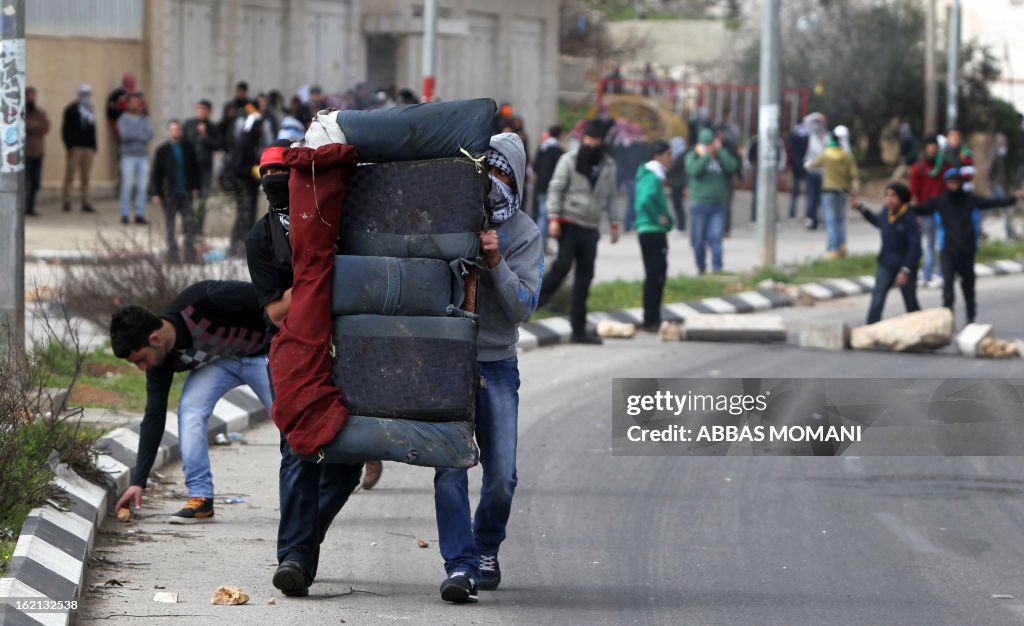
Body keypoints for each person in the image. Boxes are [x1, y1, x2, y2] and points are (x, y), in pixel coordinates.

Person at [243, 143, 374, 598]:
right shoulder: (261, 240)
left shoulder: (336, 216)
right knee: (298, 452)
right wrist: (316, 269)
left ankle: (304, 540)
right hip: (296, 353)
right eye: (271, 176)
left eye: (287, 175)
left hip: (354, 348)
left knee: (346, 462)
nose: (280, 184)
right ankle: (294, 558)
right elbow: (278, 312)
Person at [435, 132, 543, 603]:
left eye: (501, 173)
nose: (492, 182)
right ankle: (459, 566)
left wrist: (495, 259)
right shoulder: (450, 218)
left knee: (501, 476)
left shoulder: (525, 234)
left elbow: (522, 306)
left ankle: (485, 547)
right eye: (486, 172)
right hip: (449, 363)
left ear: (516, 179)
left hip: (497, 366)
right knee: (448, 469)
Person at [110, 281, 271, 524]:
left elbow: (272, 300)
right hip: (222, 362)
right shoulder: (161, 362)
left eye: (141, 360)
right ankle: (201, 498)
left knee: (289, 417)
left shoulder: (206, 300)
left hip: (265, 355)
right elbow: (154, 417)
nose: (143, 368)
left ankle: (312, 488)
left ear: (155, 338)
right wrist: (138, 481)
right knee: (190, 410)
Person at [537, 121, 620, 345]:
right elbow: (556, 188)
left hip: (591, 227)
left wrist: (614, 223)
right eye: (589, 141)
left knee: (585, 277)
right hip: (568, 221)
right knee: (562, 265)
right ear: (583, 140)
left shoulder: (608, 165)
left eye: (596, 142)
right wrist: (553, 218)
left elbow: (611, 196)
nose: (592, 146)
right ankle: (535, 303)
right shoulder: (570, 160)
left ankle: (579, 328)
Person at [912, 169, 1024, 324]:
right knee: (948, 286)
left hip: (966, 250)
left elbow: (992, 202)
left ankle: (971, 318)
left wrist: (1013, 198)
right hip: (948, 250)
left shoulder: (969, 199)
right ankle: (947, 319)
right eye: (951, 183)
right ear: (946, 184)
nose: (954, 186)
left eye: (956, 183)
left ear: (961, 184)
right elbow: (919, 209)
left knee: (968, 287)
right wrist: (902, 207)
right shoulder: (939, 201)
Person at [852, 182, 921, 324]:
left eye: (893, 196)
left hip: (905, 267)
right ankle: (870, 331)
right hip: (886, 263)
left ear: (902, 198)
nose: (889, 199)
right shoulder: (886, 211)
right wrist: (861, 209)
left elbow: (915, 248)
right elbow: (879, 222)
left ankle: (922, 331)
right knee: (877, 300)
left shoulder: (909, 218)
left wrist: (905, 270)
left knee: (911, 304)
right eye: (887, 195)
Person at [685, 127, 739, 275]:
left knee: (716, 237)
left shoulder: (721, 156)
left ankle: (717, 269)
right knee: (698, 239)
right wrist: (705, 156)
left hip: (718, 204)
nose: (709, 146)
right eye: (706, 144)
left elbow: (732, 166)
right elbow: (693, 171)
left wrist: (720, 152)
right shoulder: (693, 156)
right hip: (699, 204)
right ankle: (701, 266)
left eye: (711, 143)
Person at [634, 141, 674, 332]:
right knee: (655, 276)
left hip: (648, 230)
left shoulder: (649, 176)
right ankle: (651, 319)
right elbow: (644, 201)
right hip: (653, 231)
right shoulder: (652, 177)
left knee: (655, 274)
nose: (670, 159)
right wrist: (659, 218)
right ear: (658, 156)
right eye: (668, 155)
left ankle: (652, 317)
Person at [149, 120, 200, 263]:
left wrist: (195, 187)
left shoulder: (188, 148)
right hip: (169, 194)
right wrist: (156, 193)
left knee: (189, 224)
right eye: (172, 129)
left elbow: (195, 169)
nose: (175, 132)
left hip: (186, 192)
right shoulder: (162, 150)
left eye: (177, 129)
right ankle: (172, 256)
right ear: (168, 131)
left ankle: (190, 255)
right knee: (170, 225)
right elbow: (156, 174)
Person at [807, 134, 859, 259]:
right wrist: (854, 193)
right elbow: (854, 176)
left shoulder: (826, 154)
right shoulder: (847, 156)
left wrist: (807, 164)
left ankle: (832, 249)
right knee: (840, 220)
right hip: (843, 191)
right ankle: (842, 247)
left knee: (830, 221)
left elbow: (812, 164)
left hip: (828, 191)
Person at [909, 134, 948, 288]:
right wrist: (915, 212)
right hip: (925, 211)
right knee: (929, 244)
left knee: (942, 243)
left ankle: (940, 273)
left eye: (934, 145)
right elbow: (913, 192)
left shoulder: (945, 165)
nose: (932, 148)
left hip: (942, 210)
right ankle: (926, 274)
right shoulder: (919, 167)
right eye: (929, 145)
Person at [183, 99, 224, 234]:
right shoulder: (189, 125)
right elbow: (185, 142)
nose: (201, 112)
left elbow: (219, 145)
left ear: (209, 112)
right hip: (189, 167)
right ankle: (187, 227)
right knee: (187, 198)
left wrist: (205, 135)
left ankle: (198, 228)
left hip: (205, 168)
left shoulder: (213, 128)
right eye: (199, 109)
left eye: (204, 110)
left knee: (202, 198)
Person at [117, 93, 154, 225]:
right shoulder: (123, 119)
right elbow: (125, 135)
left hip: (142, 156)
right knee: (126, 186)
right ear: (128, 104)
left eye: (137, 102)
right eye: (132, 102)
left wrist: (137, 134)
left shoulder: (145, 119)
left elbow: (150, 134)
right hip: (128, 156)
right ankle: (125, 214)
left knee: (142, 187)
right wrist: (140, 134)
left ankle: (139, 214)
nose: (135, 105)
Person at [60, 84, 98, 214]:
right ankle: (66, 200)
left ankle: (85, 201)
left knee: (86, 176)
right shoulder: (71, 109)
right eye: (84, 94)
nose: (86, 96)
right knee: (70, 174)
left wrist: (94, 146)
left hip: (88, 147)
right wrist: (68, 145)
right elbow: (65, 129)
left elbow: (93, 130)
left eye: (88, 94)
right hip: (75, 147)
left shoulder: (90, 110)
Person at [532, 125, 564, 249]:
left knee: (541, 214)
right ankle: (540, 244)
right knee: (545, 216)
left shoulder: (542, 148)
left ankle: (539, 244)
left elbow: (535, 167)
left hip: (540, 185)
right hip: (551, 187)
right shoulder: (558, 151)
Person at [747, 133, 787, 223]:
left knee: (772, 196)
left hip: (772, 172)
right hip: (758, 172)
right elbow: (748, 154)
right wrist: (748, 167)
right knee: (756, 196)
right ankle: (754, 218)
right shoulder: (755, 140)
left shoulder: (777, 140)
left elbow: (782, 154)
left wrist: (781, 168)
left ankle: (774, 219)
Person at [24, 87, 50, 217]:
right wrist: (34, 126)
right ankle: (23, 207)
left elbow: (45, 127)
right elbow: (23, 126)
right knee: (24, 182)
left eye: (33, 95)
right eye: (29, 95)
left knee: (35, 183)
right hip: (25, 153)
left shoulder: (40, 113)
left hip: (38, 152)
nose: (31, 98)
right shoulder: (22, 112)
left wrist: (31, 126)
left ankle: (31, 207)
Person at [988, 132, 1016, 240]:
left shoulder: (1002, 156)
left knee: (1003, 209)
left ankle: (1009, 232)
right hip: (996, 186)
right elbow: (989, 172)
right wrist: (990, 186)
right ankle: (1009, 234)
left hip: (1000, 185)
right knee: (1004, 208)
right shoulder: (995, 155)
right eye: (1003, 143)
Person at [802, 113, 828, 230]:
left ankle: (824, 220)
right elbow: (805, 121)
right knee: (811, 198)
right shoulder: (810, 137)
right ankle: (811, 219)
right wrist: (817, 115)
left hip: (824, 173)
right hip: (812, 173)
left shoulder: (828, 138)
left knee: (823, 198)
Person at [786, 120, 810, 223]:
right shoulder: (808, 134)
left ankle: (792, 216)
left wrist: (789, 165)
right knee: (809, 193)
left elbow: (789, 150)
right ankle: (808, 216)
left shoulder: (793, 134)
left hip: (796, 167)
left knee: (794, 193)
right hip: (806, 166)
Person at [666, 136, 688, 233]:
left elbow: (684, 172)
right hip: (676, 183)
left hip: (679, 184)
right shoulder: (678, 155)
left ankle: (681, 227)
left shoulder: (681, 156)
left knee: (678, 206)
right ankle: (680, 226)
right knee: (677, 206)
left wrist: (686, 186)